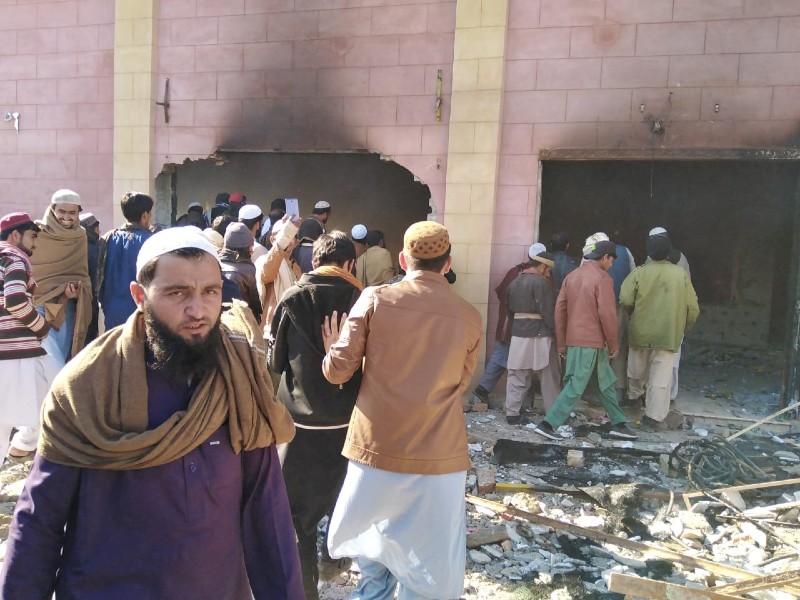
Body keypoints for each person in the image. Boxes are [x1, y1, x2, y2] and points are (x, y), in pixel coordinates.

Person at [0, 227, 303, 599]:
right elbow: (39, 521)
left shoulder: (239, 376)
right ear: (139, 296)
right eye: (177, 293)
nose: (197, 309)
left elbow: (267, 513)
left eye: (210, 292)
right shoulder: (86, 386)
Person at [321, 221, 482, 599]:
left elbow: (337, 371)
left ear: (402, 259)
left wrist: (332, 349)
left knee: (375, 556)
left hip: (376, 449)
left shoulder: (375, 299)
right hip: (438, 455)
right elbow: (461, 383)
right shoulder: (469, 315)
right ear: (448, 264)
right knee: (425, 567)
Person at [269, 232, 363, 600]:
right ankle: (333, 556)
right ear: (350, 264)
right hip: (349, 423)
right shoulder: (361, 298)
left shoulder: (292, 297)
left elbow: (274, 362)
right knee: (343, 498)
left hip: (300, 427)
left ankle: (306, 590)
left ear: (312, 261)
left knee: (297, 517)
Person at [532, 239, 638, 441]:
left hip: (576, 341)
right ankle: (548, 424)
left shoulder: (572, 277)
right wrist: (614, 344)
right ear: (605, 257)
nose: (612, 265)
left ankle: (619, 423)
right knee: (575, 386)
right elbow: (607, 315)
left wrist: (562, 342)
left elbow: (559, 311)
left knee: (604, 383)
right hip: (592, 343)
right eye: (612, 260)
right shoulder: (602, 278)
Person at [620, 234, 699, 428]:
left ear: (649, 252)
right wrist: (682, 328)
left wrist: (635, 315)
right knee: (660, 377)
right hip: (667, 335)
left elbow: (625, 299)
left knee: (637, 370)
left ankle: (633, 398)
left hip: (641, 332)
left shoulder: (639, 272)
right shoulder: (680, 274)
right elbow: (693, 308)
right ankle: (652, 417)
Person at [0, 212, 60, 460]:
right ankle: (23, 447)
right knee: (56, 393)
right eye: (33, 236)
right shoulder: (15, 257)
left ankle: (22, 447)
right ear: (15, 236)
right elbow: (15, 299)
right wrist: (42, 326)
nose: (35, 243)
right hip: (18, 349)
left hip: (9, 349)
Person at [30, 190, 93, 366]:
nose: (67, 217)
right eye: (62, 212)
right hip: (39, 304)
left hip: (67, 306)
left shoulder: (80, 235)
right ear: (52, 210)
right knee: (49, 359)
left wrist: (77, 291)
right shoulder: (36, 232)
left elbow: (81, 272)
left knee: (63, 357)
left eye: (72, 213)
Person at [504, 243, 561, 423]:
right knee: (549, 375)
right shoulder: (542, 283)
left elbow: (509, 311)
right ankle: (554, 414)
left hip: (518, 333)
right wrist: (556, 333)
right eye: (548, 270)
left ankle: (512, 414)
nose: (549, 274)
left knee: (517, 374)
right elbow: (548, 313)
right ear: (543, 266)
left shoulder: (514, 282)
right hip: (540, 334)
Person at [582, 232, 637, 405]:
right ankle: (618, 391)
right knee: (618, 349)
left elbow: (583, 279)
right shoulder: (626, 252)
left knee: (595, 348)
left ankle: (594, 391)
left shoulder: (590, 254)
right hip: (620, 307)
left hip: (595, 308)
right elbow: (633, 277)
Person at [471, 253, 530, 406]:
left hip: (506, 323)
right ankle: (515, 404)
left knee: (501, 358)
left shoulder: (514, 271)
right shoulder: (532, 276)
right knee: (513, 362)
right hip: (517, 326)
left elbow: (500, 292)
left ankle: (483, 391)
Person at [97, 191, 154, 330]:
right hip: (141, 311)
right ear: (145, 215)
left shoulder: (108, 238)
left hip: (112, 311)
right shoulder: (150, 241)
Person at [647, 226, 691, 402]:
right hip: (675, 318)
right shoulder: (682, 260)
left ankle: (650, 398)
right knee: (672, 359)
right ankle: (669, 396)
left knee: (652, 359)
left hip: (653, 317)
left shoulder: (649, 261)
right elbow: (689, 293)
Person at [256, 215, 301, 334]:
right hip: (272, 329)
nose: (288, 238)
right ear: (272, 240)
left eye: (292, 235)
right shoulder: (264, 261)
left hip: (292, 329)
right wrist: (284, 237)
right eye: (281, 233)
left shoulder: (296, 267)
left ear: (296, 242)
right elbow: (267, 275)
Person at [219, 222, 262, 322]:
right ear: (246, 248)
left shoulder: (215, 263)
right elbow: (256, 303)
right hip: (241, 321)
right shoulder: (248, 270)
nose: (252, 250)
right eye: (251, 246)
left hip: (218, 320)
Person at [79, 212, 101, 344]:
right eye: (96, 229)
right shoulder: (94, 248)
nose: (99, 232)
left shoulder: (76, 247)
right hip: (91, 297)